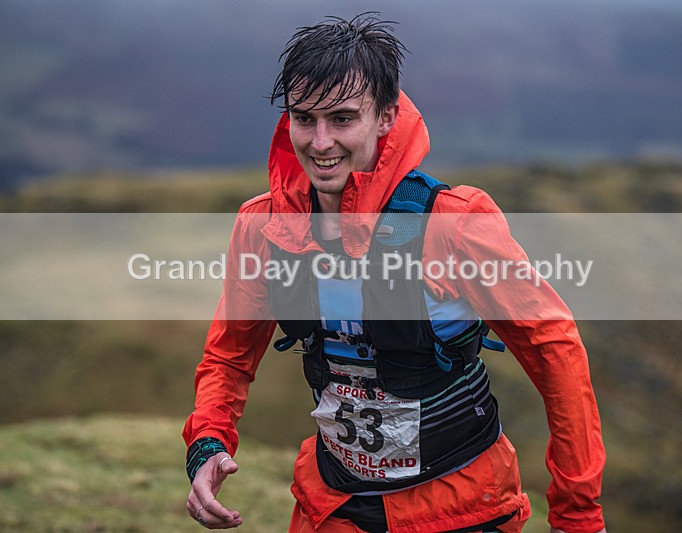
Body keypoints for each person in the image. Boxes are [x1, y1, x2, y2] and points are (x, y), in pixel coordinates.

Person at [183, 12, 606, 533]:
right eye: (304, 117)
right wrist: (208, 443)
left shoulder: (453, 224)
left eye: (342, 119)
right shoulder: (264, 227)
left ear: (386, 117)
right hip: (333, 506)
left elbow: (554, 352)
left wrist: (577, 512)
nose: (319, 142)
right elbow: (228, 355)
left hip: (464, 506)